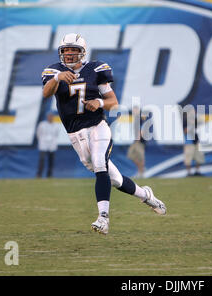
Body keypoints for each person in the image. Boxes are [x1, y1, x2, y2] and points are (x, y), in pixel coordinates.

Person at [41, 33, 166, 235]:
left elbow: (112, 101)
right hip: (75, 133)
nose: (69, 54)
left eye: (73, 50)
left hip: (97, 125)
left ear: (82, 52)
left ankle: (103, 218)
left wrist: (98, 102)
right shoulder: (54, 71)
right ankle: (146, 195)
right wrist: (57, 78)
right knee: (115, 179)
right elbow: (46, 93)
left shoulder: (95, 70)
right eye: (66, 50)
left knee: (100, 163)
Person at [36, 112, 60, 178]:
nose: (50, 117)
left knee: (51, 161)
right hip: (43, 144)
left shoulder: (56, 125)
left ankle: (49, 175)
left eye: (51, 116)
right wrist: (42, 140)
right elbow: (38, 134)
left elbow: (56, 134)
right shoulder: (42, 124)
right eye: (49, 116)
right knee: (42, 160)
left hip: (52, 145)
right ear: (47, 117)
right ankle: (39, 174)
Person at [183, 106, 205, 176]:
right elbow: (185, 131)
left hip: (196, 141)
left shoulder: (196, 119)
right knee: (188, 158)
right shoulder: (185, 120)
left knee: (199, 157)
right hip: (189, 141)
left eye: (193, 111)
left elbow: (202, 123)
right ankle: (189, 173)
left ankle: (197, 171)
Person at [127, 106, 146, 178]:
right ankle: (140, 170)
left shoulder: (141, 118)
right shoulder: (134, 119)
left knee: (140, 157)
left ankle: (141, 172)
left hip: (140, 141)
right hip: (135, 141)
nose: (134, 111)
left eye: (136, 110)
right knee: (130, 155)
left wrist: (138, 138)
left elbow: (142, 129)